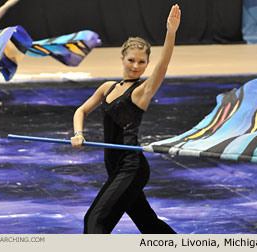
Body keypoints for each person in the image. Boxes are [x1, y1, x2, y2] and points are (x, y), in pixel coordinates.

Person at [70, 4, 180, 234]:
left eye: (142, 62)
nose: (136, 66)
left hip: (131, 167)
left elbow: (164, 65)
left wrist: (171, 32)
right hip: (114, 166)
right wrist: (78, 134)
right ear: (122, 58)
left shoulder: (142, 91)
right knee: (148, 223)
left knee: (95, 220)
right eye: (131, 60)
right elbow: (80, 111)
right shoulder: (107, 88)